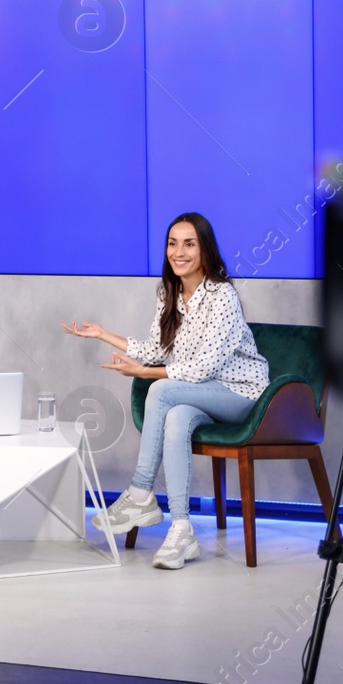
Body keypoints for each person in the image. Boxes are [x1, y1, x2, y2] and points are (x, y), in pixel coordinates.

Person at [63, 212, 268, 570]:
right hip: (200, 392)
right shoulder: (169, 292)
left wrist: (144, 373)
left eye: (189, 244)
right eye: (173, 243)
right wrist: (103, 334)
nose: (179, 252)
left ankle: (140, 492)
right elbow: (159, 348)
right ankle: (181, 528)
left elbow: (203, 367)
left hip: (241, 394)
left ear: (205, 250)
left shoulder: (222, 296)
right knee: (175, 417)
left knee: (160, 390)